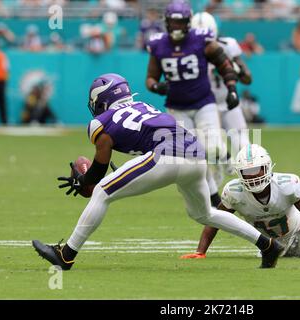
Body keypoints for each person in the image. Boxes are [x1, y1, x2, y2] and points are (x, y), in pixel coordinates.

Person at [32, 73, 284, 270]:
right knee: (204, 212)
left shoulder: (100, 122)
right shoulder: (143, 106)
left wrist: (83, 181)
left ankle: (66, 255)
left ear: (101, 100)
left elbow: (97, 172)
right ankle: (267, 245)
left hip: (164, 156)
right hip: (196, 156)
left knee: (101, 192)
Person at [145, 0, 239, 208]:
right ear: (166, 22)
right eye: (173, 22)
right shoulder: (158, 44)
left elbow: (224, 63)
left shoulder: (201, 40)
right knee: (192, 155)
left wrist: (232, 88)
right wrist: (156, 87)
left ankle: (225, 156)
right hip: (176, 108)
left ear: (188, 23)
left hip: (204, 102)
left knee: (212, 147)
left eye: (180, 23)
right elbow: (150, 78)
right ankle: (215, 200)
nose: (176, 27)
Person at [191, 11, 252, 184]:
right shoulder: (190, 51)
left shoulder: (228, 45)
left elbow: (248, 78)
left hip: (228, 103)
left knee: (243, 147)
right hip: (205, 106)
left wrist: (234, 68)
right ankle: (214, 192)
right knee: (212, 151)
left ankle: (253, 185)